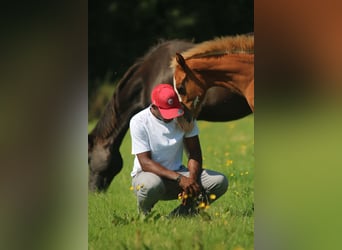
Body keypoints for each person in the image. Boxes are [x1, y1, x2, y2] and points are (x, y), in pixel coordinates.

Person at [129, 83, 228, 216]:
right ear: (154, 107)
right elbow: (145, 163)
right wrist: (180, 179)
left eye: (173, 110)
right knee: (151, 185)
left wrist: (191, 180)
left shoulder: (185, 117)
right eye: (166, 112)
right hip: (148, 176)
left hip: (179, 174)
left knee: (219, 182)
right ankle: (144, 216)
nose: (171, 116)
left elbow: (194, 153)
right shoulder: (139, 121)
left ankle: (181, 216)